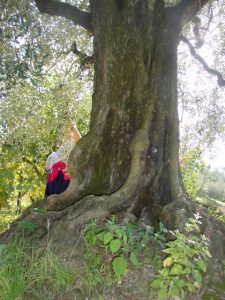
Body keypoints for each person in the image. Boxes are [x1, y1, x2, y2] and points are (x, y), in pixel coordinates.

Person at [45, 122, 81, 197]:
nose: (64, 131)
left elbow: (79, 140)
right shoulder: (61, 145)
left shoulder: (72, 141)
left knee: (60, 198)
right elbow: (47, 168)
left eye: (67, 129)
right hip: (54, 177)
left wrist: (74, 128)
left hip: (63, 175)